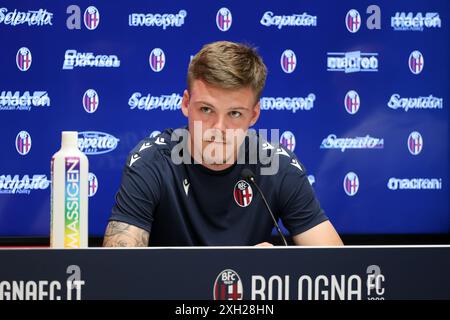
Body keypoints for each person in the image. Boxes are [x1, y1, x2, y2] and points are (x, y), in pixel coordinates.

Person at [103, 41, 343, 247]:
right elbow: (117, 269)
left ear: (254, 115)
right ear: (186, 104)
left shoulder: (276, 164)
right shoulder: (153, 161)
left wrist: (279, 267)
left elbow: (340, 270)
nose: (219, 128)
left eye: (235, 114)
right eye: (206, 109)